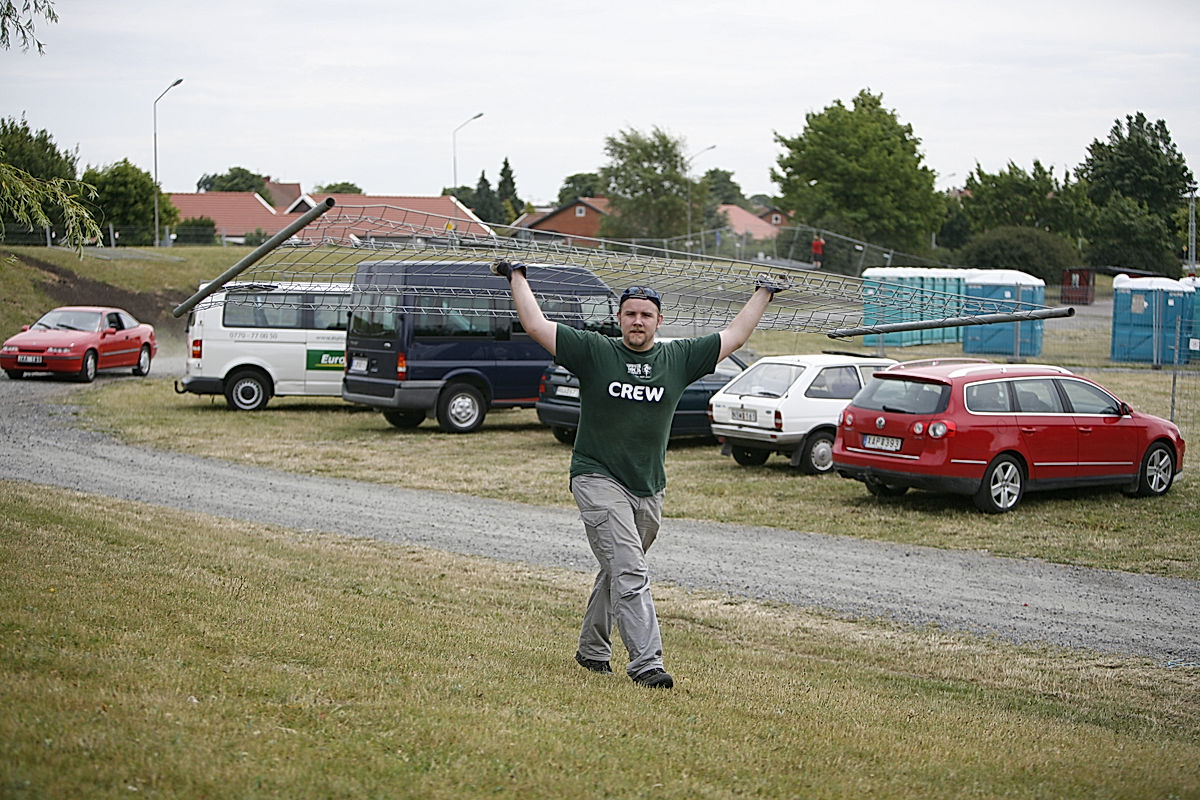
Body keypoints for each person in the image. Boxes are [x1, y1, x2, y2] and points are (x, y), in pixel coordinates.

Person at [492, 259, 781, 688]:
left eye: (646, 314)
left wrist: (765, 292)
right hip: (596, 477)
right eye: (630, 313)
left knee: (617, 568)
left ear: (659, 320)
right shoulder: (596, 351)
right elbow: (536, 325)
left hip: (648, 488)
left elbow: (735, 336)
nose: (638, 321)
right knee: (630, 570)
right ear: (619, 317)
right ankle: (647, 664)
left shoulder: (678, 357)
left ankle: (592, 651)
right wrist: (516, 276)